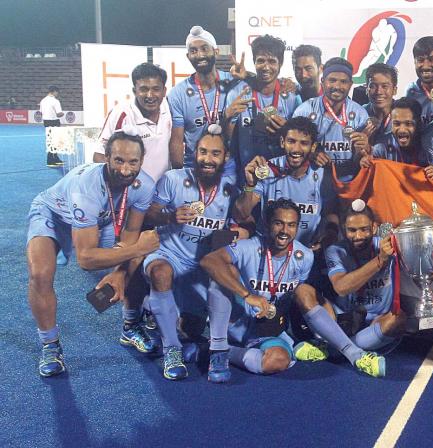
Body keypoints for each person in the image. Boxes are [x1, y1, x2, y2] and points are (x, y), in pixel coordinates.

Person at [201, 198, 387, 378]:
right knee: (220, 275)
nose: (284, 230)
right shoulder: (249, 247)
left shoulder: (304, 256)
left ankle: (216, 351)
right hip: (238, 322)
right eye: (278, 223)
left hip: (268, 328)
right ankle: (218, 349)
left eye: (291, 225)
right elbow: (209, 261)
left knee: (277, 360)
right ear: (267, 225)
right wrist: (247, 295)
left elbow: (305, 297)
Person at [26, 132, 160, 377]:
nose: (126, 169)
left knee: (137, 260)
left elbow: (131, 232)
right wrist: (139, 248)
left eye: (133, 162)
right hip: (53, 215)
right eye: (119, 160)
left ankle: (131, 326)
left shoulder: (145, 185)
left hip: (100, 218)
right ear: (106, 158)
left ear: (142, 161)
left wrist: (121, 272)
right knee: (40, 274)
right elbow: (86, 259)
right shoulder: (86, 187)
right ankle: (50, 345)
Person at [141, 126, 239, 381]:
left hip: (201, 266)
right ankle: (171, 351)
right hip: (169, 255)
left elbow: (240, 226)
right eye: (203, 152)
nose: (208, 159)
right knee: (160, 273)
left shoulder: (230, 189)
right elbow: (149, 213)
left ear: (225, 157)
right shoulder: (173, 178)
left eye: (215, 153)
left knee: (193, 329)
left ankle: (153, 307)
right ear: (194, 153)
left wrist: (228, 236)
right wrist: (170, 215)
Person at [234, 116, 338, 250]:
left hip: (306, 252)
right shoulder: (268, 169)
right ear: (282, 142)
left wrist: (329, 235)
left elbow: (331, 214)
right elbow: (240, 215)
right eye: (291, 141)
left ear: (313, 147)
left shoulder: (323, 176)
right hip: (267, 251)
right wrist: (250, 186)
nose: (296, 149)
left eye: (304, 143)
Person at [324, 200, 405, 351]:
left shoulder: (388, 245)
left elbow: (419, 263)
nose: (358, 236)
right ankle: (355, 346)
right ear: (344, 229)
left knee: (399, 318)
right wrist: (380, 260)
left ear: (374, 227)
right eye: (352, 230)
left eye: (364, 229)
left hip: (378, 320)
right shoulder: (334, 250)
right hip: (345, 318)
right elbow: (341, 288)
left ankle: (341, 348)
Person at [224, 34, 302, 179]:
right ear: (254, 62)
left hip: (281, 177)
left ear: (281, 63)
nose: (266, 67)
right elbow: (229, 139)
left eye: (272, 61)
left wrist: (287, 131)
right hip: (246, 175)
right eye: (261, 61)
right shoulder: (237, 93)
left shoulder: (291, 96)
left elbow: (301, 141)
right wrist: (229, 117)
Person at [167, 26, 236, 169]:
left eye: (205, 48)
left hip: (227, 168)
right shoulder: (178, 94)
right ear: (188, 56)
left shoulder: (233, 84)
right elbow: (176, 141)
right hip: (194, 167)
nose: (199, 55)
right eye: (193, 51)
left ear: (216, 52)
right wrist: (180, 175)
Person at [292, 57, 369, 181]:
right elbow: (291, 148)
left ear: (350, 84)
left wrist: (364, 150)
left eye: (343, 82)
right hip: (311, 183)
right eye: (332, 80)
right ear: (322, 81)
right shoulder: (304, 110)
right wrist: (311, 154)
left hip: (346, 184)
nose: (337, 86)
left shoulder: (360, 114)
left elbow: (364, 157)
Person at [93, 63, 172, 182]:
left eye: (156, 89)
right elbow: (98, 156)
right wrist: (126, 179)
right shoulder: (121, 113)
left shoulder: (170, 109)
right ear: (134, 91)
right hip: (132, 192)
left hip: (162, 192)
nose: (150, 95)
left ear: (164, 91)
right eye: (144, 89)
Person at [362, 97, 427, 167]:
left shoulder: (429, 145)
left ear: (419, 123)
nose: (402, 130)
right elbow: (368, 159)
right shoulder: (382, 147)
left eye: (408, 124)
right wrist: (365, 162)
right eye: (396, 124)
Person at [405, 36, 433, 126]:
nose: (426, 66)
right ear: (414, 62)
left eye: (432, 60)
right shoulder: (410, 93)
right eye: (420, 60)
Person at [364, 63, 397, 152]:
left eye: (385, 86)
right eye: (373, 86)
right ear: (366, 89)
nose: (379, 92)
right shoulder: (359, 115)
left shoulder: (404, 115)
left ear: (394, 90)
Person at [40, 85, 64, 167]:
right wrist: (62, 113)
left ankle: (55, 157)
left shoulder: (43, 100)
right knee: (55, 141)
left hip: (46, 121)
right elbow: (59, 113)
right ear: (54, 92)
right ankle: (50, 159)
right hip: (54, 121)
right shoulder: (55, 101)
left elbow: (41, 112)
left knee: (50, 140)